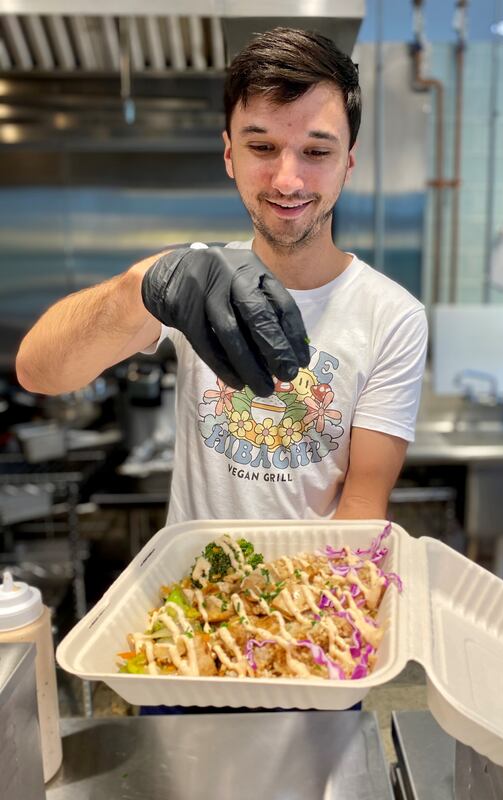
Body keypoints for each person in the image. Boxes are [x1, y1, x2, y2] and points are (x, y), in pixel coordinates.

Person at [16, 27, 428, 527]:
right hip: (195, 591)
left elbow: (362, 503)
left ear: (348, 162)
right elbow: (38, 372)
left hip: (305, 591)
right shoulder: (199, 281)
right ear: (230, 154)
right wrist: (144, 285)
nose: (288, 180)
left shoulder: (393, 316)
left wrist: (308, 602)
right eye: (263, 147)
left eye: (317, 152)